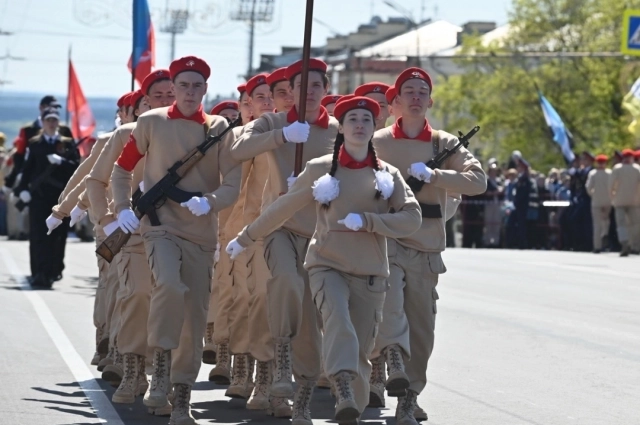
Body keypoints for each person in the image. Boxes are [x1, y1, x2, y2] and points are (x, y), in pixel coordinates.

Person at [227, 96, 421, 424]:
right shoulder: (320, 169)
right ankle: (341, 384)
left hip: (371, 271)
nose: (359, 125)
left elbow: (412, 217)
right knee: (338, 322)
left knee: (360, 348)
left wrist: (372, 222)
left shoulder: (387, 176)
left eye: (366, 120)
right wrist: (245, 237)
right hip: (326, 265)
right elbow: (283, 207)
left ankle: (338, 400)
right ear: (341, 129)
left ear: (374, 128)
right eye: (352, 120)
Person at [111, 56, 241, 424]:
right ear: (175, 87)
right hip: (159, 226)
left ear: (205, 90)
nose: (189, 92)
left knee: (196, 313)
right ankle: (161, 370)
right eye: (182, 85)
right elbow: (123, 169)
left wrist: (211, 202)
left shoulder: (219, 129)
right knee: (168, 285)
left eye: (196, 86)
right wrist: (122, 207)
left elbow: (232, 182)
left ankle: (181, 392)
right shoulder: (151, 122)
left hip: (200, 232)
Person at [371, 67, 487, 424]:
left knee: (421, 327)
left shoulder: (445, 144)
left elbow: (477, 181)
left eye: (423, 91)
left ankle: (409, 395)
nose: (416, 97)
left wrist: (435, 175)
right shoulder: (377, 142)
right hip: (386, 240)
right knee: (389, 309)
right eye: (409, 91)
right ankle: (389, 358)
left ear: (430, 101)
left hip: (425, 245)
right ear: (397, 101)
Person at [230, 58, 336, 423]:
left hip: (320, 233)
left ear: (326, 89)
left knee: (311, 314)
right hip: (278, 227)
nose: (310, 94)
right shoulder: (274, 122)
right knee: (285, 285)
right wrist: (281, 136)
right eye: (301, 87)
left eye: (317, 86)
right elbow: (236, 149)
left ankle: (301, 394)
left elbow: (361, 170)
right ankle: (280, 356)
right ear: (290, 92)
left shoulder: (338, 129)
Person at [14, 107, 80, 288]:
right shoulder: (35, 144)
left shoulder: (67, 143)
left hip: (60, 199)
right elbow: (27, 169)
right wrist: (22, 190)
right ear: (42, 122)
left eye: (54, 120)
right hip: (39, 198)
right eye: (48, 120)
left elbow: (77, 167)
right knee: (38, 237)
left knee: (58, 237)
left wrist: (62, 162)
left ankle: (54, 270)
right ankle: (38, 273)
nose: (52, 123)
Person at [4, 96, 73, 190]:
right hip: (35, 180)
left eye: (56, 108)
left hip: (61, 180)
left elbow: (72, 156)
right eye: (50, 107)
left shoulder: (64, 130)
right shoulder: (28, 130)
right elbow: (20, 155)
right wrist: (17, 178)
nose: (53, 110)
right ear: (41, 108)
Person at [609, 149, 640, 256]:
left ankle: (625, 243)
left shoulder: (617, 169)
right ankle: (635, 245)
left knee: (621, 224)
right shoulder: (637, 169)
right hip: (634, 200)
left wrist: (612, 197)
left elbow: (611, 185)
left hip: (619, 200)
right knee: (635, 224)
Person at [585, 154, 612, 253]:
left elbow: (588, 187)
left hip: (596, 201)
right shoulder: (610, 173)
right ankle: (604, 234)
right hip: (608, 200)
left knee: (597, 224)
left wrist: (593, 195)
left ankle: (597, 246)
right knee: (605, 220)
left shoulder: (593, 173)